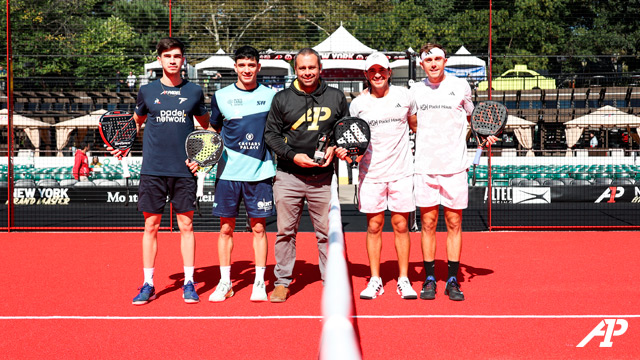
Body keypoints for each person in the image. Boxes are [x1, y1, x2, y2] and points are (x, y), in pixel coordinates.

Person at [111, 37, 210, 305]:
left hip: (183, 169)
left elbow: (207, 128)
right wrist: (123, 144)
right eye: (167, 56)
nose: (173, 60)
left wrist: (200, 158)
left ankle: (189, 282)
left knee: (186, 225)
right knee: (150, 225)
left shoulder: (195, 92)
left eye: (177, 56)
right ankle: (148, 283)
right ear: (160, 60)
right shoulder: (147, 91)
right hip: (152, 170)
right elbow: (137, 122)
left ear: (183, 59)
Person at [410, 44, 497, 301]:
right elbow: (413, 124)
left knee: (454, 223)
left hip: (455, 167)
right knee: (426, 224)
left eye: (438, 59)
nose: (434, 64)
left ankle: (451, 279)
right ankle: (428, 278)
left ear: (445, 61)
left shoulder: (461, 87)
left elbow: (476, 119)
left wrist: (485, 135)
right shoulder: (415, 91)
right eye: (428, 60)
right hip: (424, 168)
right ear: (421, 64)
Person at [264, 48, 348, 302]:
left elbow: (345, 130)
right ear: (295, 69)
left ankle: (331, 279)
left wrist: (336, 147)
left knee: (326, 233)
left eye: (312, 67)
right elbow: (271, 135)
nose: (308, 72)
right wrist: (292, 155)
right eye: (302, 68)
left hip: (322, 179)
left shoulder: (336, 97)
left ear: (320, 68)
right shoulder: (281, 98)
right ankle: (282, 281)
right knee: (285, 232)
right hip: (289, 175)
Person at [336, 52, 418, 300]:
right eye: (372, 71)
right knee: (374, 226)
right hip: (370, 174)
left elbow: (416, 127)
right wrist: (348, 154)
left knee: (401, 225)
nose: (378, 74)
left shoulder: (405, 97)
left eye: (382, 70)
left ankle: (404, 279)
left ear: (389, 72)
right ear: (366, 75)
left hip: (402, 172)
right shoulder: (358, 104)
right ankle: (375, 280)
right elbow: (354, 139)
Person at [205, 46, 276, 303]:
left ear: (258, 67)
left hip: (260, 172)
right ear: (235, 67)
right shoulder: (221, 95)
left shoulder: (271, 96)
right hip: (227, 173)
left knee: (259, 228)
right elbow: (213, 132)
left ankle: (259, 282)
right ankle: (226, 282)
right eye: (242, 65)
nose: (246, 69)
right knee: (226, 229)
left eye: (251, 65)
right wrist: (202, 158)